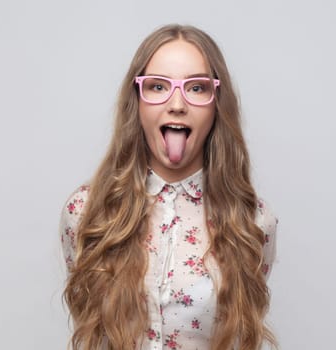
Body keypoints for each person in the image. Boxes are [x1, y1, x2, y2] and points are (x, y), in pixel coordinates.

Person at [60, 24, 278, 350]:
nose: (177, 104)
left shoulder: (251, 221)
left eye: (196, 88)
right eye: (159, 86)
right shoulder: (87, 212)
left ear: (217, 103)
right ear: (137, 101)